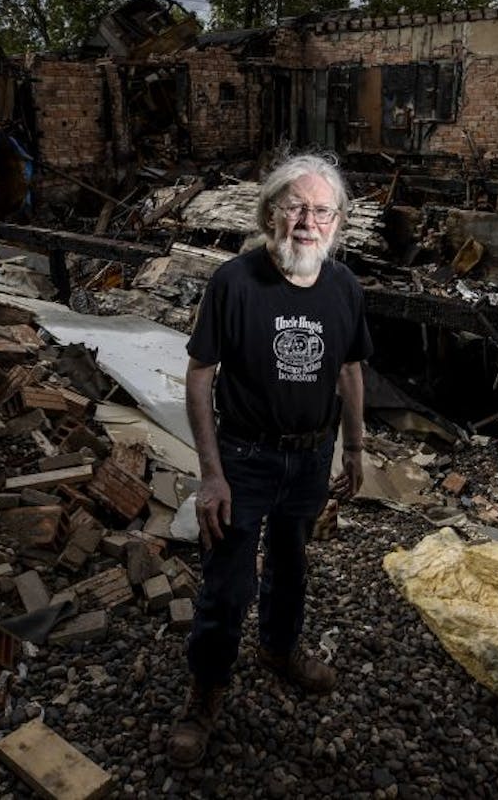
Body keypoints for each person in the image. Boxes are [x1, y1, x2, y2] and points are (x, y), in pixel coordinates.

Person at [167, 152, 373, 768]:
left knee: (291, 567)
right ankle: (205, 691)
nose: (308, 221)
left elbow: (349, 369)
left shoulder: (345, 287)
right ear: (269, 214)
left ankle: (279, 651)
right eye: (295, 207)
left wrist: (355, 447)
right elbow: (201, 376)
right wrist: (211, 474)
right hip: (245, 459)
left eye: (322, 210)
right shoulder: (233, 281)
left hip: (309, 460)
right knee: (228, 582)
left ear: (337, 224)